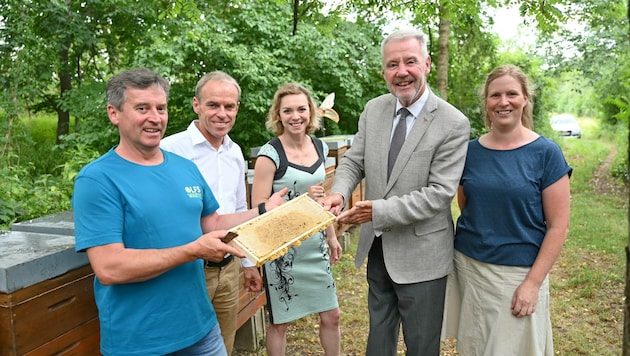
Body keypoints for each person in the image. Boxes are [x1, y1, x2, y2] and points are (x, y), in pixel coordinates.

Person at [72, 68, 287, 356]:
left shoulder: (184, 167)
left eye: (160, 108)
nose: (155, 117)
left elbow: (215, 222)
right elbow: (109, 267)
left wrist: (264, 210)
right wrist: (193, 251)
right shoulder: (97, 179)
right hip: (142, 339)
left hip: (201, 328)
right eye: (142, 108)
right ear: (114, 113)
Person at [321, 28, 471, 355]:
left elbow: (438, 194)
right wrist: (340, 193)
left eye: (410, 62)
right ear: (383, 71)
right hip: (378, 248)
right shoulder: (373, 110)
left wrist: (376, 211)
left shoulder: (453, 123)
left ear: (427, 64)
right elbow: (353, 161)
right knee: (379, 339)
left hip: (424, 255)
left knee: (421, 345)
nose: (401, 72)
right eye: (392, 64)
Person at [452, 64, 571, 355]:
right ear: (486, 102)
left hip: (519, 275)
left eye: (511, 94)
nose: (503, 102)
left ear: (525, 98)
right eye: (495, 95)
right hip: (470, 269)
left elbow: (558, 226)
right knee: (475, 347)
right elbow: (466, 204)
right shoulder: (469, 152)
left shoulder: (546, 153)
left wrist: (532, 284)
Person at [161, 71, 261, 355]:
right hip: (188, 270)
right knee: (186, 346)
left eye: (229, 106)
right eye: (213, 105)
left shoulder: (234, 152)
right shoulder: (171, 150)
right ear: (196, 105)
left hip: (228, 269)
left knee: (223, 347)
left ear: (237, 108)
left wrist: (248, 264)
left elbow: (240, 209)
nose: (222, 113)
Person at [251, 82, 342, 356]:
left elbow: (321, 199)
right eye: (287, 110)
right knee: (281, 322)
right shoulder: (269, 156)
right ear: (278, 115)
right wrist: (301, 200)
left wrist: (331, 235)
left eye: (301, 109)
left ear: (311, 111)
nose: (295, 116)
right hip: (283, 251)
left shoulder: (319, 148)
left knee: (332, 315)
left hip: (315, 246)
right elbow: (259, 211)